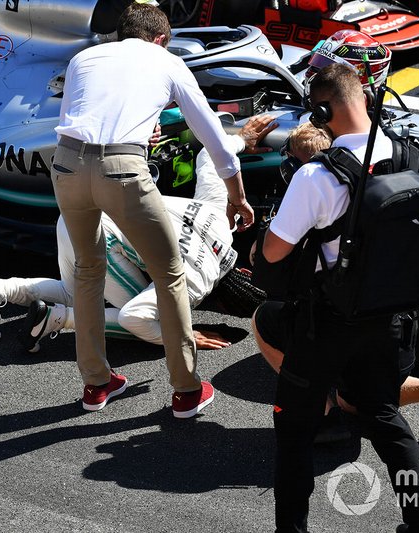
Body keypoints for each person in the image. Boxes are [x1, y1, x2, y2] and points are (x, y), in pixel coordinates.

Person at [253, 63, 419, 533]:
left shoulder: (316, 177)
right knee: (383, 413)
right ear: (364, 98)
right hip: (392, 316)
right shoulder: (410, 155)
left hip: (327, 324)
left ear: (321, 111)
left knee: (296, 430)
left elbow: (274, 252)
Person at [50, 2, 254, 418]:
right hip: (123, 170)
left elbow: (77, 115)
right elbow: (213, 137)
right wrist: (236, 195)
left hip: (66, 164)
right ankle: (186, 389)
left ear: (123, 31)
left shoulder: (83, 57)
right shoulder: (168, 61)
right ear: (161, 38)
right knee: (170, 273)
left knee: (89, 271)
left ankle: (96, 384)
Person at [0, 115, 275, 358]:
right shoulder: (196, 285)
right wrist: (181, 335)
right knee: (145, 322)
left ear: (245, 271)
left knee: (81, 292)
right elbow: (133, 318)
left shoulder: (219, 220)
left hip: (78, 212)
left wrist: (241, 139)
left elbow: (211, 158)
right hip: (98, 233)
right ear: (222, 308)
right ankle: (57, 318)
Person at [255, 121, 419, 448]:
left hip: (362, 315)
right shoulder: (394, 176)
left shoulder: (317, 187)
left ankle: (322, 416)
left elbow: (271, 259)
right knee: (360, 385)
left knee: (267, 320)